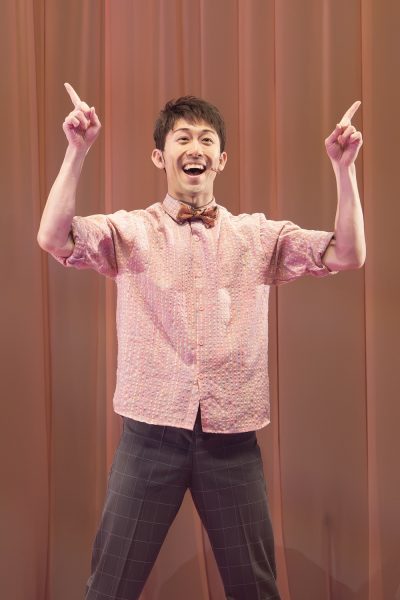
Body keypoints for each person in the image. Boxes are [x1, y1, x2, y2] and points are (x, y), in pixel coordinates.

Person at [37, 83, 365, 600]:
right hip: (149, 438)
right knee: (109, 588)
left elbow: (347, 253)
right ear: (160, 156)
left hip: (232, 441)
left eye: (207, 139)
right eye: (183, 137)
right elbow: (54, 238)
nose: (196, 147)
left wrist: (344, 170)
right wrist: (77, 151)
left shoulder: (258, 236)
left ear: (221, 159)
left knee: (255, 589)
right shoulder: (131, 231)